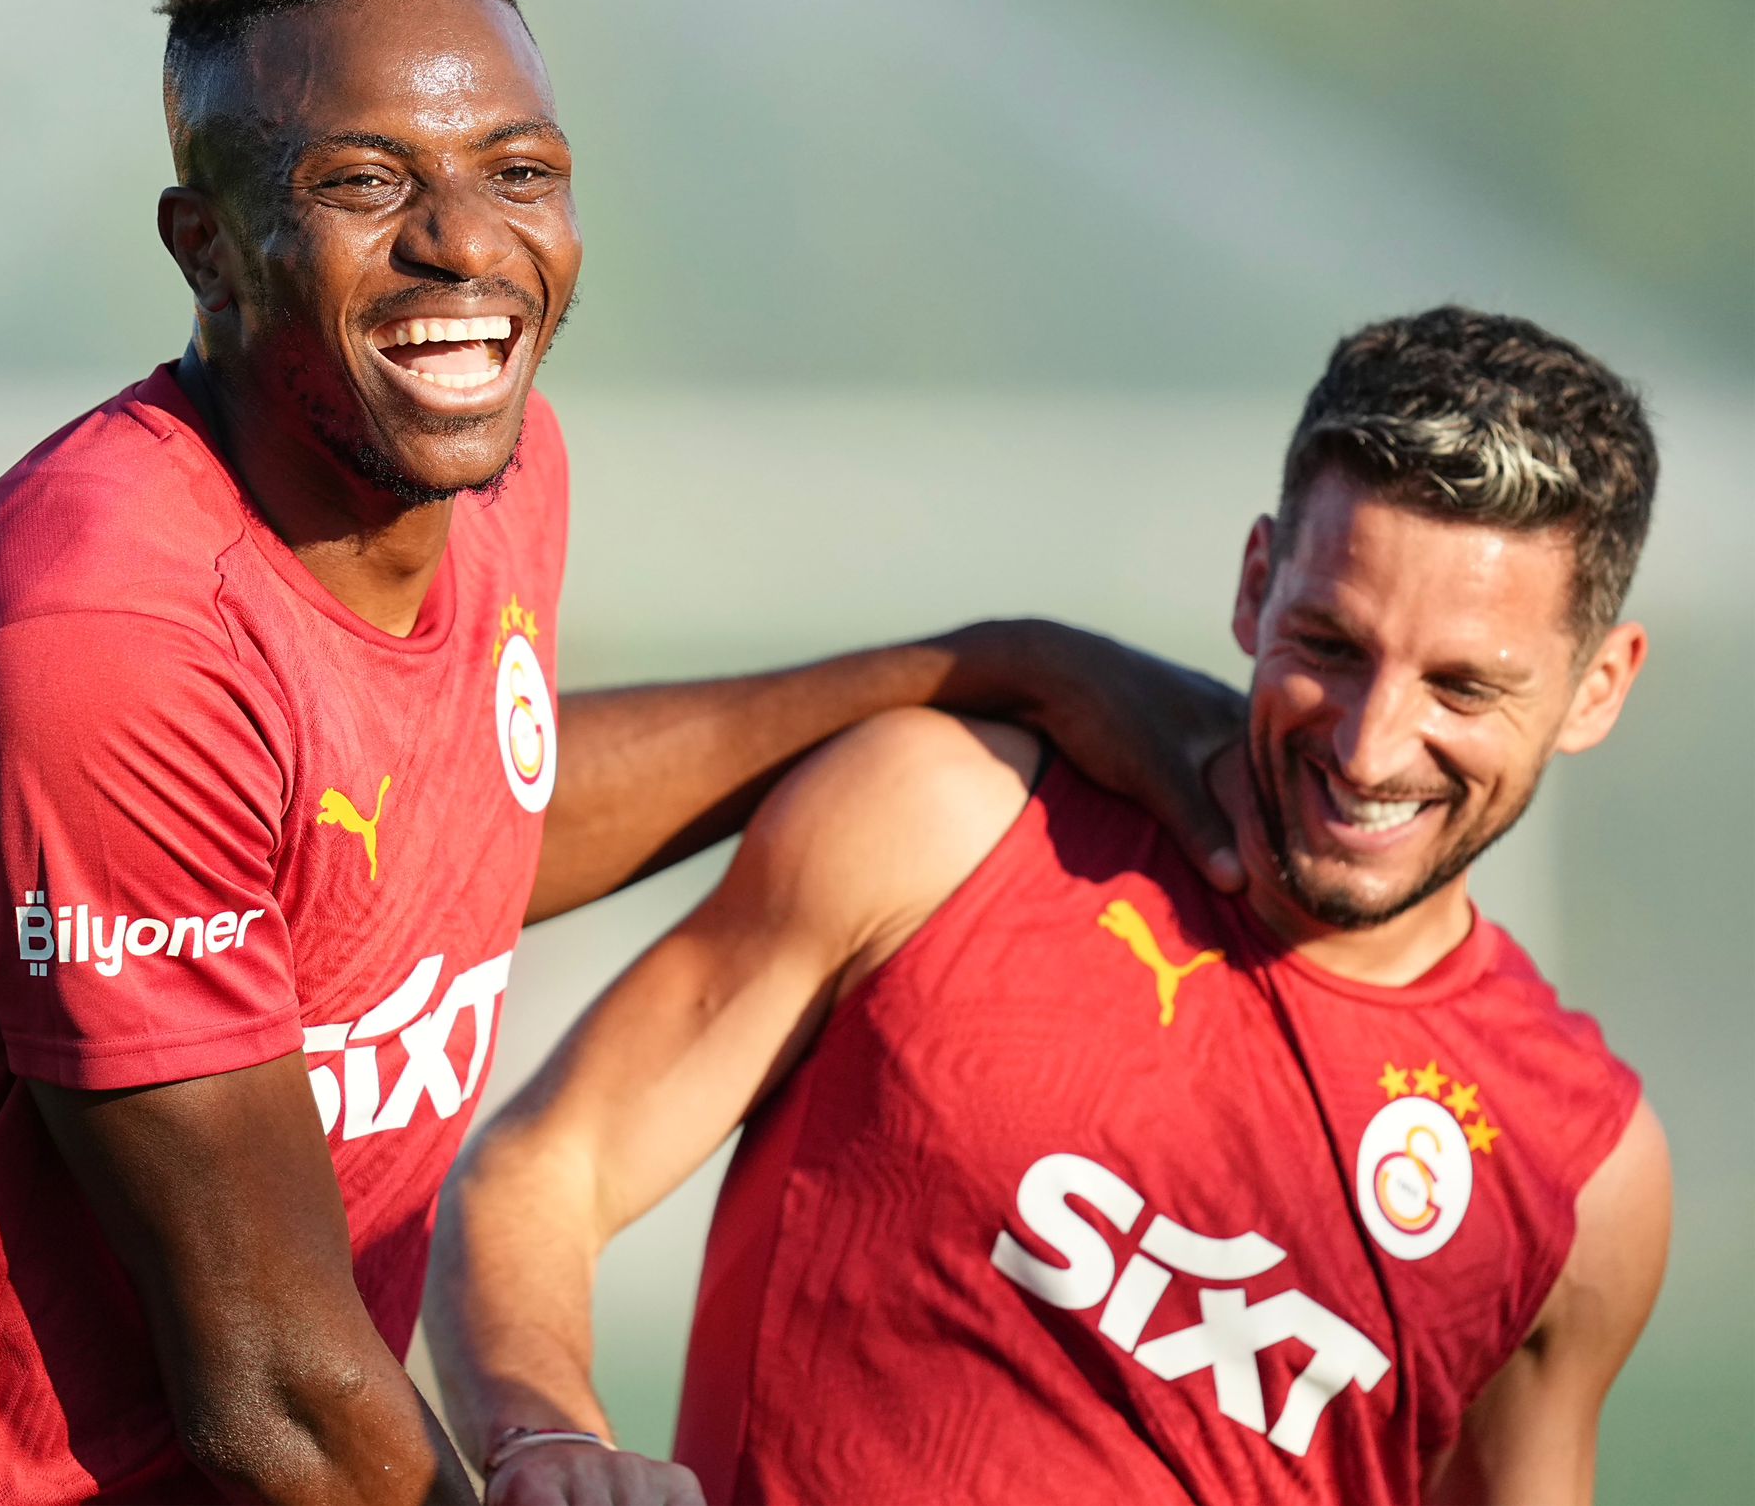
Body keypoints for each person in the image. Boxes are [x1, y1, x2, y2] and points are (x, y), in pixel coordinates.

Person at [0, 0, 1238, 1506]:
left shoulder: (486, 469)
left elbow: (452, 825)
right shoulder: (107, 645)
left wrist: (978, 663)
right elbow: (281, 1401)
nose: (463, 241)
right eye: (364, 182)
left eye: (518, 171)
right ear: (206, 248)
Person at [429, 307, 1672, 1506]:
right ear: (1255, 583)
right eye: (1330, 646)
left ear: (1596, 687)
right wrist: (548, 1433)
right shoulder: (946, 820)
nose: (1368, 744)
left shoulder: (1584, 1177)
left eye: (1461, 688)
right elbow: (545, 1170)